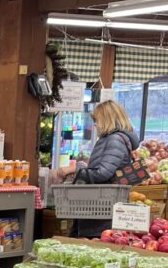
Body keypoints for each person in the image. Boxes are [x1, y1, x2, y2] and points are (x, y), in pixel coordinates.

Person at [52, 99, 140, 238]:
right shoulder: (111, 139)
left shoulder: (114, 139)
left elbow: (102, 173)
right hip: (100, 205)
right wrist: (81, 167)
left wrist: (75, 170)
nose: (95, 124)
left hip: (103, 207)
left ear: (107, 119)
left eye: (97, 120)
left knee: (88, 245)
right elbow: (102, 168)